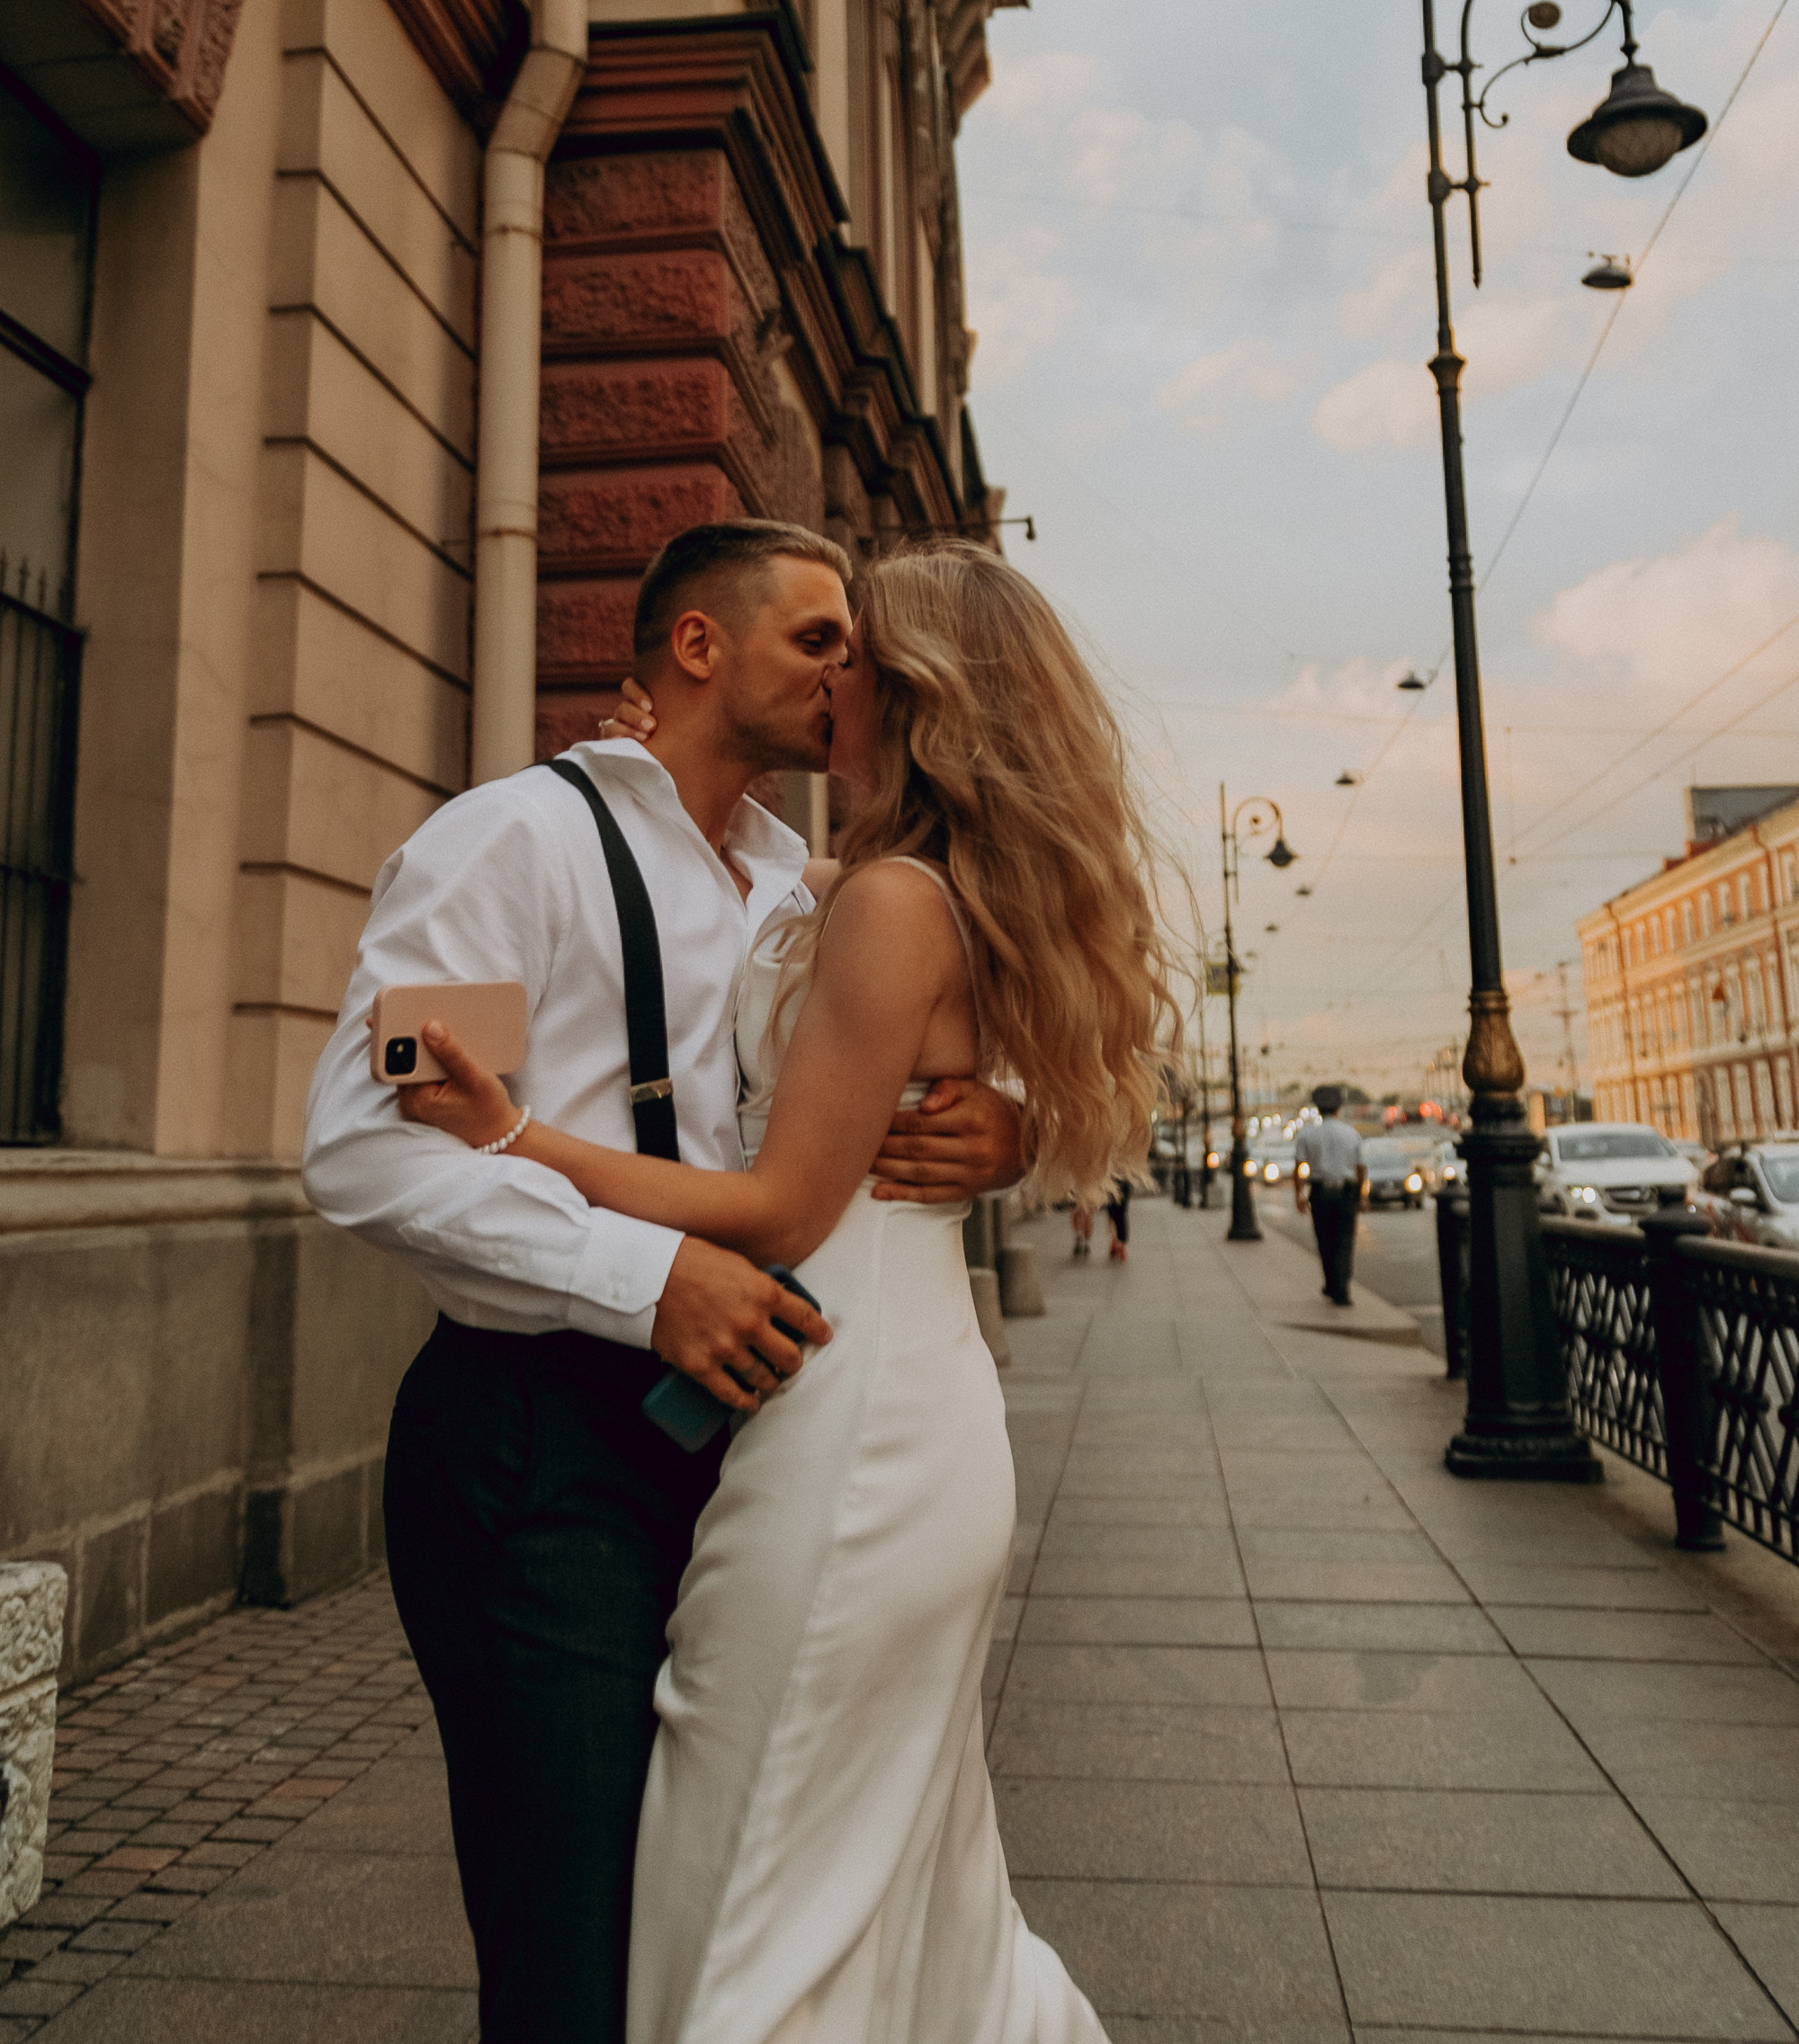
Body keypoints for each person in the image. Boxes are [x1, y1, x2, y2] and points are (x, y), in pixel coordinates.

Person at [402, 539, 1176, 2044]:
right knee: (843, 1872)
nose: (835, 671)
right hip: (694, 1412)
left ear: (916, 687)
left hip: (841, 1418)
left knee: (755, 1864)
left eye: (855, 645)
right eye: (814, 636)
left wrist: (518, 1135)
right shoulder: (534, 845)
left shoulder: (841, 881)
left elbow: (788, 1188)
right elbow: (371, 1149)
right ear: (699, 645)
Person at [1297, 1084, 1366, 1305]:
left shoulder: (1307, 1134)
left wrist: (1300, 1194)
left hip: (1319, 1192)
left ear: (1318, 1109)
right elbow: (1360, 1168)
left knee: (1324, 1240)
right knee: (1344, 1241)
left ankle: (1331, 1284)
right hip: (1346, 1192)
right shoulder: (1351, 1133)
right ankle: (1342, 1289)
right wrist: (1361, 1194)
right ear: (1338, 1108)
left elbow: (1299, 1167)